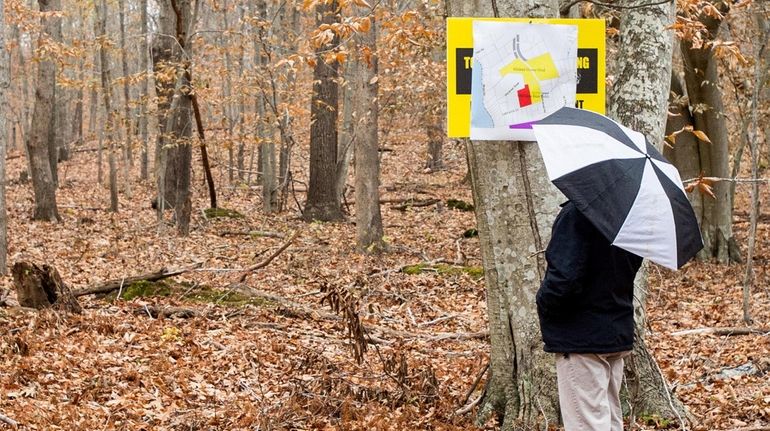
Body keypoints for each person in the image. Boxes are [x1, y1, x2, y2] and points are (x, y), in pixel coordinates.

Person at [536, 200, 643, 430]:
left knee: (588, 424)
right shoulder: (629, 214)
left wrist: (545, 304)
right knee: (610, 421)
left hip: (581, 337)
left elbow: (563, 278)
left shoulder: (577, 213)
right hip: (616, 329)